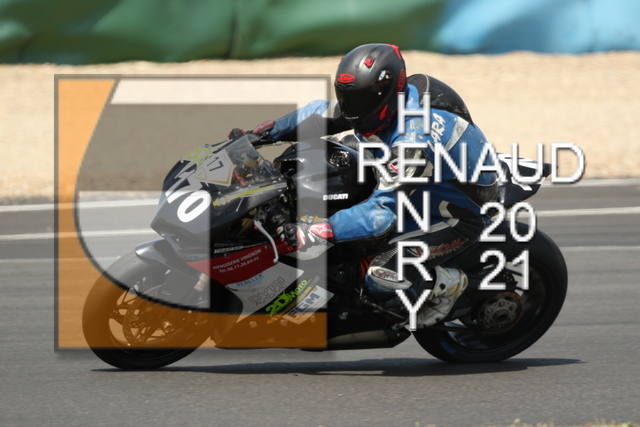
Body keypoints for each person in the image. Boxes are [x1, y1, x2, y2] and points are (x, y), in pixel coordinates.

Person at [237, 43, 498, 328]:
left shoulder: (413, 140)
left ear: (386, 93)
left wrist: (316, 230)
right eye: (348, 98)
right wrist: (261, 134)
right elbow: (320, 113)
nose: (351, 110)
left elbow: (381, 215)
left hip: (453, 210)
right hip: (422, 176)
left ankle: (444, 285)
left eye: (360, 101)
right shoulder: (385, 102)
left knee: (382, 276)